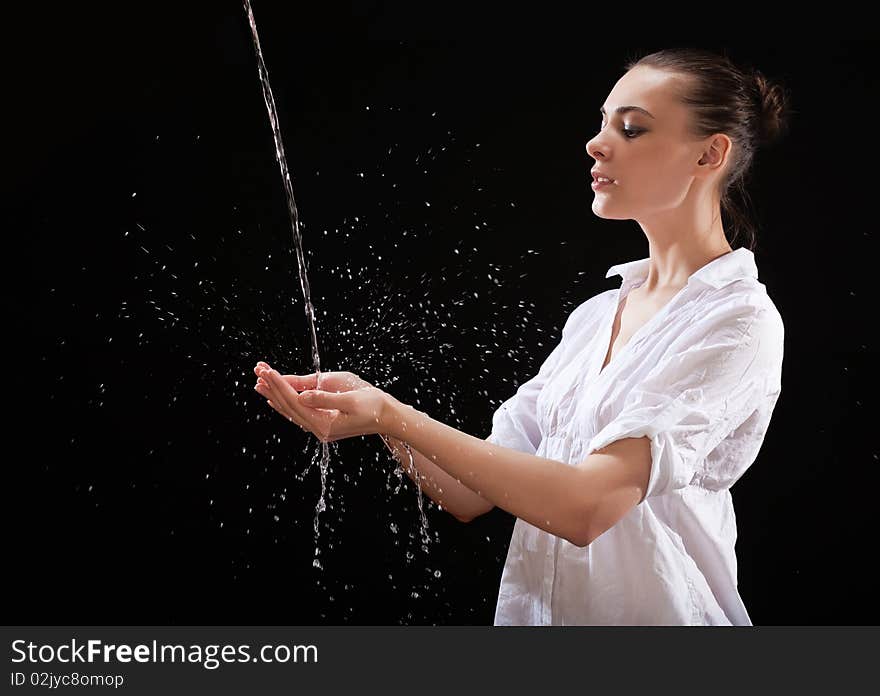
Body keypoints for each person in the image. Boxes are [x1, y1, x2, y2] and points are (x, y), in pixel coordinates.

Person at [252, 47, 792, 625]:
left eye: (631, 128)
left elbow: (585, 507)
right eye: (603, 122)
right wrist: (370, 409)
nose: (597, 143)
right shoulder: (595, 317)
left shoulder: (736, 322)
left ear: (711, 153)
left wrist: (391, 415)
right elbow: (470, 493)